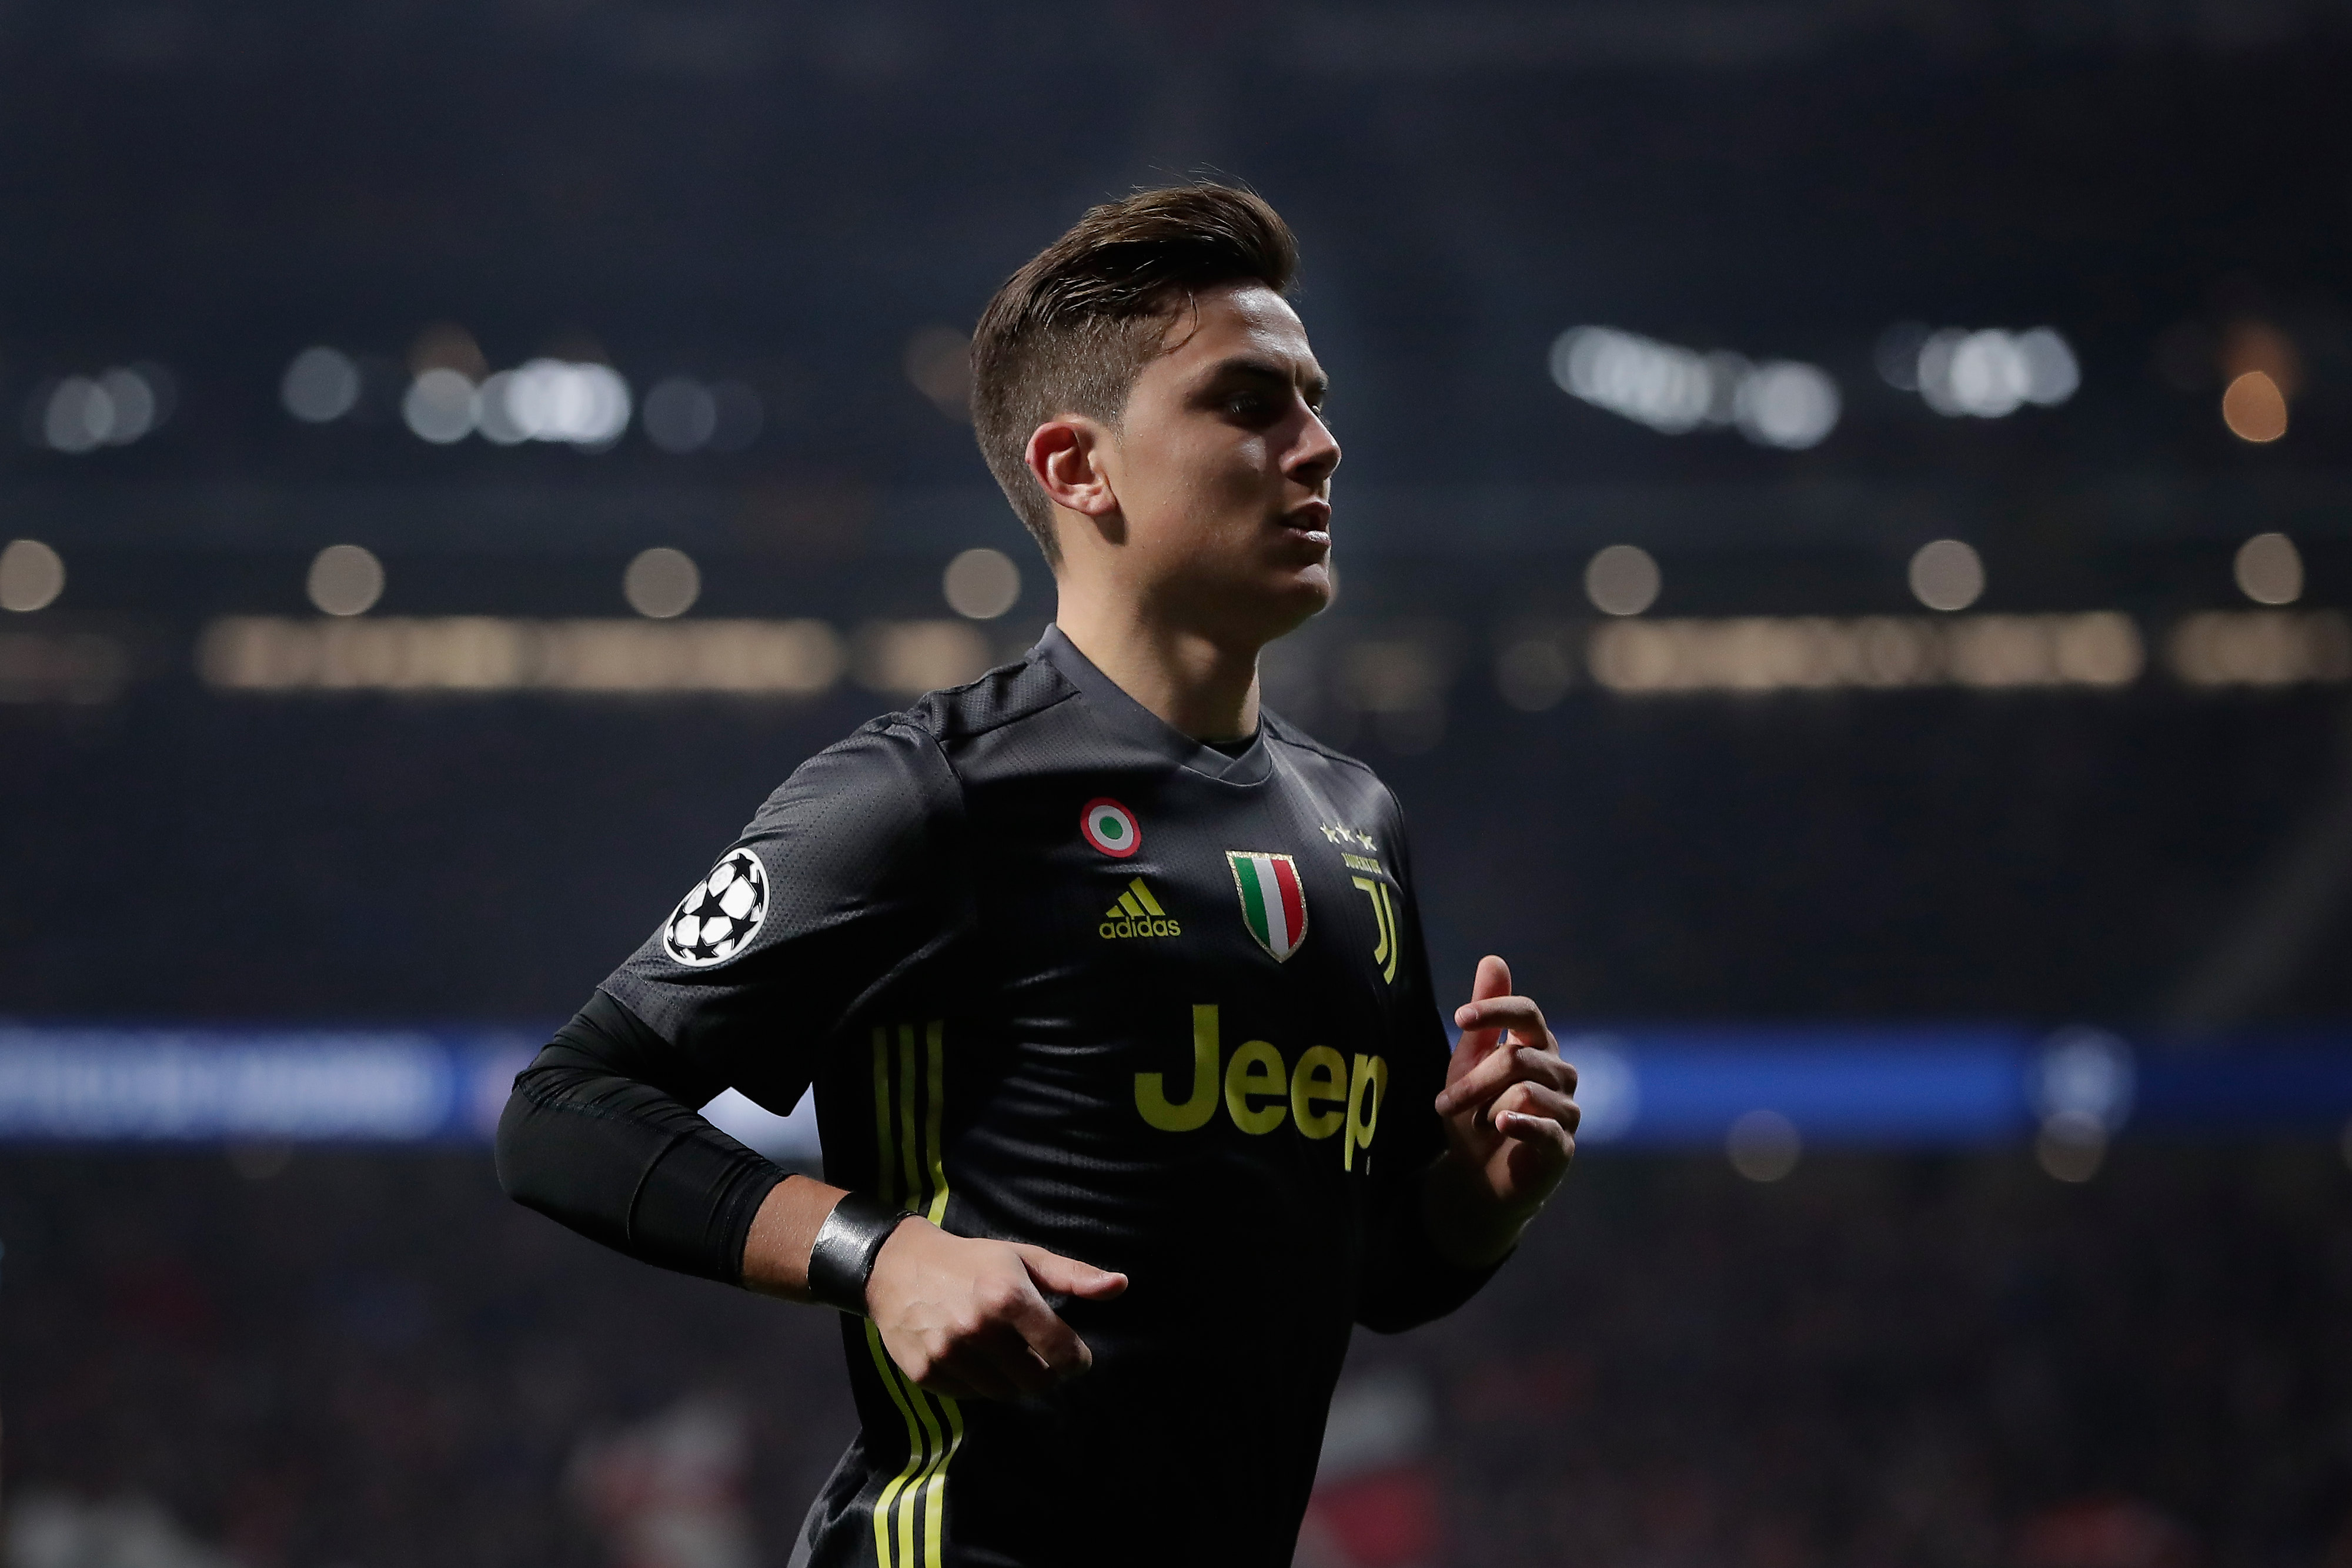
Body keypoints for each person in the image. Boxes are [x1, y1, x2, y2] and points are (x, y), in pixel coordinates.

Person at [497, 183, 1580, 1568]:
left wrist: (1481, 1196)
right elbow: (563, 1109)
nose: (1318, 445)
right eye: (1247, 402)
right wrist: (879, 1252)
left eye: (1313, 402)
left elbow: (1377, 1272)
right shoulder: (930, 791)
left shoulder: (1356, 821)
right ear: (1078, 467)